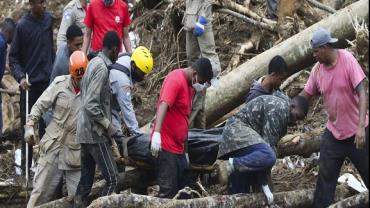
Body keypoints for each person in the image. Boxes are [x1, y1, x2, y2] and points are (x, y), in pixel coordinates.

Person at [298, 27, 369, 208]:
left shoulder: (347, 60)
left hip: (357, 132)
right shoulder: (317, 70)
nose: (313, 55)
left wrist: (361, 126)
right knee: (325, 178)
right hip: (334, 134)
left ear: (326, 47)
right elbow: (306, 93)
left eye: (316, 51)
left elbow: (362, 93)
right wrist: (292, 104)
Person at [216, 95, 308, 204]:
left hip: (242, 140)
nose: (296, 122)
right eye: (296, 117)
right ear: (292, 106)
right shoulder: (279, 109)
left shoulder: (283, 113)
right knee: (269, 156)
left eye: (299, 120)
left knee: (240, 193)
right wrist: (265, 184)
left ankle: (234, 178)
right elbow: (268, 151)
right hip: (237, 133)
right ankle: (229, 166)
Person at [24, 51, 88, 208]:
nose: (79, 81)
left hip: (75, 149)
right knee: (39, 194)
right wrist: (30, 125)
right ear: (71, 73)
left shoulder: (91, 91)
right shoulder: (59, 84)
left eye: (82, 78)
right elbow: (39, 105)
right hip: (53, 146)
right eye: (77, 78)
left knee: (78, 199)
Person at [150, 58, 214, 198]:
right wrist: (157, 133)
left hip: (179, 148)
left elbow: (183, 119)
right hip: (166, 147)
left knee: (185, 192)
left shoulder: (190, 88)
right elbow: (163, 105)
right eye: (202, 82)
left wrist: (185, 153)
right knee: (168, 192)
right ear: (195, 74)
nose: (201, 86)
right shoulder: (175, 80)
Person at [74, 31, 121, 207]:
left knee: (85, 182)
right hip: (95, 134)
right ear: (115, 50)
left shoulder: (93, 62)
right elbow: (91, 104)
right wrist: (108, 126)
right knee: (113, 179)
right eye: (118, 51)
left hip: (84, 131)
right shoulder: (101, 68)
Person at [9, 0, 55, 172]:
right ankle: (26, 169)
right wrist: (20, 78)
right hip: (29, 86)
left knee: (47, 127)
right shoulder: (22, 27)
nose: (44, 5)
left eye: (45, 1)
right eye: (40, 2)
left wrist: (54, 68)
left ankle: (46, 168)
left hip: (47, 84)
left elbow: (51, 48)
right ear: (31, 3)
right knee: (28, 129)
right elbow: (13, 58)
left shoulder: (48, 20)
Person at [109, 46, 153, 146]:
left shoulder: (130, 58)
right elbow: (127, 110)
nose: (143, 77)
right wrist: (139, 136)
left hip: (112, 99)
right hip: (105, 106)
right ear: (133, 65)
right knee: (117, 138)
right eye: (142, 73)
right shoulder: (122, 80)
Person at [0, 18, 16, 136]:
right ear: (9, 33)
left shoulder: (2, 43)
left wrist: (7, 67)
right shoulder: (1, 45)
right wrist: (6, 88)